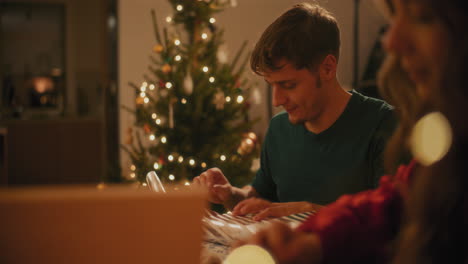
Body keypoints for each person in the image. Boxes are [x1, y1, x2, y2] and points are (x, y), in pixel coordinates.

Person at [233, 0, 468, 263]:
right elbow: (391, 207)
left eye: (422, 17)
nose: (391, 42)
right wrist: (313, 241)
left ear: (328, 67)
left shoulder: (384, 123)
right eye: (394, 18)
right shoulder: (447, 138)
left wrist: (309, 217)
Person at [193, 3, 396, 220]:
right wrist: (230, 193)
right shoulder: (280, 129)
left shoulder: (384, 125)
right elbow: (261, 199)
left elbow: (391, 220)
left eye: (288, 85)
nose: (277, 100)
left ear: (327, 68)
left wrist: (310, 212)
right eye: (272, 85)